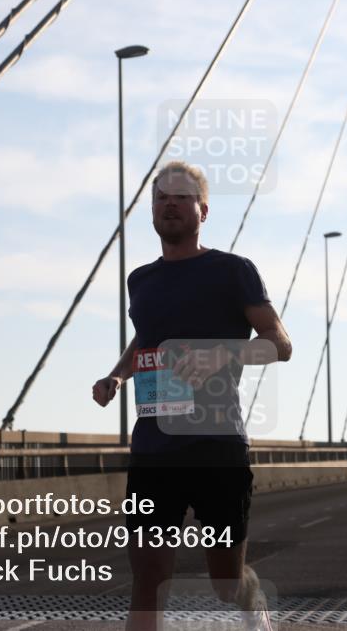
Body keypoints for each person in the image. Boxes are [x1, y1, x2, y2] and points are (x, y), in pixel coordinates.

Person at [92, 162, 292, 631]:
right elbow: (145, 340)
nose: (170, 204)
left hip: (216, 446)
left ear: (203, 210)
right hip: (153, 449)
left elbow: (279, 344)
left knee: (224, 581)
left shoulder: (233, 271)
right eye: (161, 197)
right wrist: (116, 377)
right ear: (152, 211)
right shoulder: (140, 280)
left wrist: (221, 354)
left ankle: (250, 593)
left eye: (181, 197)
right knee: (148, 577)